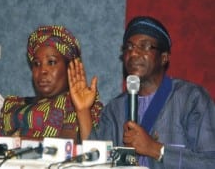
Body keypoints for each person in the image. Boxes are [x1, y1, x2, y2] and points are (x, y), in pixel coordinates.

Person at [71, 16, 215, 168]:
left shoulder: (191, 99)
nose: (133, 53)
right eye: (129, 47)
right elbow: (95, 160)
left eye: (145, 46)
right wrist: (83, 111)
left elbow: (211, 162)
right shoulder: (115, 109)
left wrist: (155, 149)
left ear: (164, 58)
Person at [0, 25, 102, 144]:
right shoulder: (12, 104)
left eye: (51, 62)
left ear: (69, 68)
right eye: (36, 64)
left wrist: (18, 141)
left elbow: (67, 144)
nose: (42, 70)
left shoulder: (78, 104)